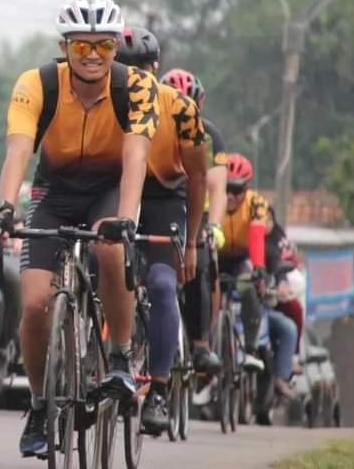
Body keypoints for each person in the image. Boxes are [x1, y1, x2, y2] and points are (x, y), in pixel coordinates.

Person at [0, 0, 160, 458]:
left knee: (109, 249)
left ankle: (120, 354)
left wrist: (124, 219)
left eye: (102, 47)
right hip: (55, 193)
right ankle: (41, 405)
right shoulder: (37, 83)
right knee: (36, 303)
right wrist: (5, 205)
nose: (91, 56)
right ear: (64, 47)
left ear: (114, 50)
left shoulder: (137, 88)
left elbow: (136, 158)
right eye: (80, 46)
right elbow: (20, 150)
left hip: (109, 189)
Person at [116, 27, 208, 433]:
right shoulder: (102, 100)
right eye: (125, 66)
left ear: (156, 69)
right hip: (114, 193)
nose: (133, 74)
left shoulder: (180, 109)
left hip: (163, 199)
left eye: (142, 67)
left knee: (162, 284)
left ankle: (158, 388)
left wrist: (191, 244)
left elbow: (199, 177)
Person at [161, 68, 226, 375]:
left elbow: (216, 184)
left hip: (195, 208)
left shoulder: (211, 135)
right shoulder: (149, 123)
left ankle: (200, 344)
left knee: (199, 261)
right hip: (161, 201)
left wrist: (212, 226)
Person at [219, 152, 298, 395]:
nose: (231, 196)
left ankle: (251, 348)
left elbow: (258, 238)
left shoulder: (257, 205)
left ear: (247, 188)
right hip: (218, 256)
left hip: (244, 257)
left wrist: (260, 271)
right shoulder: (211, 200)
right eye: (226, 189)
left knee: (248, 286)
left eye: (237, 190)